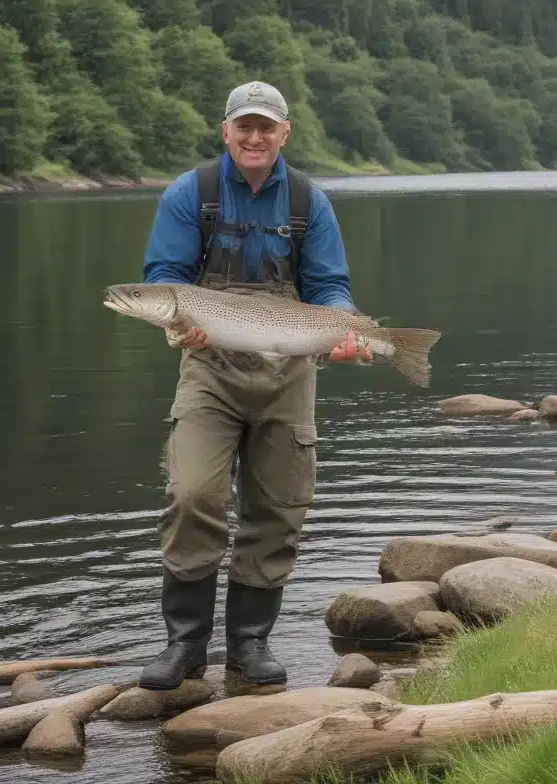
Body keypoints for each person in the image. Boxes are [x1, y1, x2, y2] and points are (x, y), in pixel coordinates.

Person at [137, 80, 371, 691]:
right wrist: (180, 323)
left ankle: (248, 646)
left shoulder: (307, 202)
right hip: (210, 371)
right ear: (226, 131)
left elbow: (329, 286)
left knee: (276, 508)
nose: (255, 137)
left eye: (267, 127)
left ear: (284, 133)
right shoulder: (193, 194)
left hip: (288, 372)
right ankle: (184, 646)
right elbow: (165, 275)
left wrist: (344, 330)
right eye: (245, 126)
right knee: (192, 495)